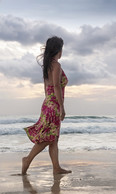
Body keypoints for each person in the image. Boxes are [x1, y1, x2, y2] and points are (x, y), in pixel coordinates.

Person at [22, 36, 72, 175]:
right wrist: (61, 107)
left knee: (53, 139)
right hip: (54, 105)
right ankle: (27, 159)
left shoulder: (47, 65)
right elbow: (56, 86)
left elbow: (46, 88)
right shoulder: (56, 65)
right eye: (62, 49)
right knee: (49, 138)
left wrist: (49, 103)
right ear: (58, 50)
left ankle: (56, 168)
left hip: (48, 103)